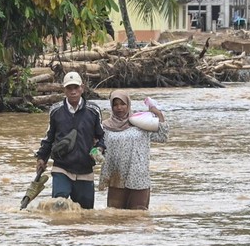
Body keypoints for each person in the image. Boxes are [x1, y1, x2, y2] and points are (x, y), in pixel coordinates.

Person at [35, 71, 105, 210]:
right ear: (64, 90)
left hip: (85, 169)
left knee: (85, 213)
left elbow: (102, 136)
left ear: (82, 88)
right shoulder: (56, 111)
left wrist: (100, 149)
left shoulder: (93, 111)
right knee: (59, 206)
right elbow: (49, 137)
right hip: (62, 167)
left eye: (76, 87)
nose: (73, 91)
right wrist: (41, 157)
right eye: (69, 88)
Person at [99, 90, 168, 210]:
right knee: (115, 217)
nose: (119, 108)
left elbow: (162, 137)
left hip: (138, 177)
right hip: (116, 177)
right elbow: (98, 147)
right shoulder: (105, 127)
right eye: (115, 104)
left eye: (122, 104)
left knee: (138, 217)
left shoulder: (141, 123)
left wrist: (158, 114)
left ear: (128, 104)